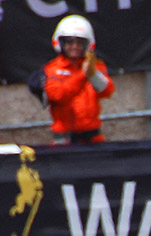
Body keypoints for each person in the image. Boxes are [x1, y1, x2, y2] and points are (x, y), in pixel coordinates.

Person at [43, 15, 114, 145]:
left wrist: (93, 75)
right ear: (61, 43)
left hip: (93, 138)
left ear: (87, 44)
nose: (75, 47)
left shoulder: (95, 65)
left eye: (79, 42)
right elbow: (58, 95)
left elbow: (107, 91)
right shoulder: (52, 69)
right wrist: (83, 75)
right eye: (70, 42)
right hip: (63, 140)